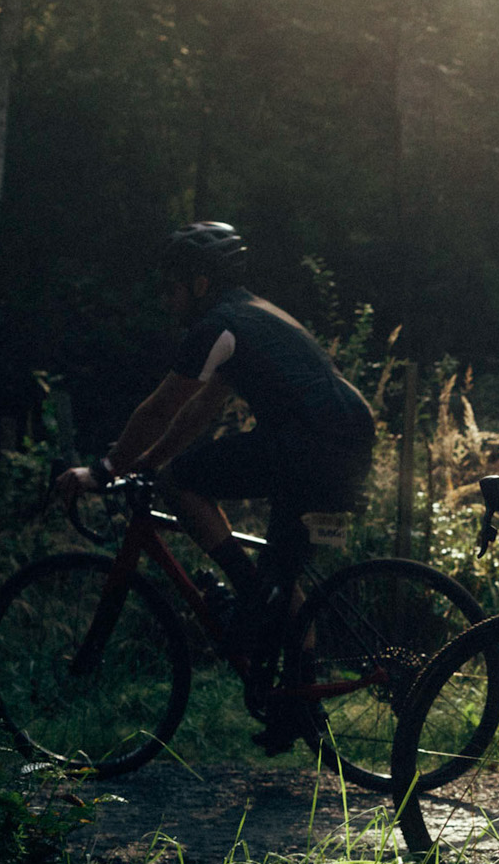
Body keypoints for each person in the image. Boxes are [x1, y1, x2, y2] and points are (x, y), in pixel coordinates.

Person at [56, 221, 376, 750]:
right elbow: (199, 410)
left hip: (312, 442)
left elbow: (160, 407)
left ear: (200, 283)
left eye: (171, 286)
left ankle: (251, 596)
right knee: (282, 574)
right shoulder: (254, 316)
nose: (166, 298)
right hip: (340, 435)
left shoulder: (217, 326)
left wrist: (105, 470)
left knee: (185, 483)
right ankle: (298, 706)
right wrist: (149, 463)